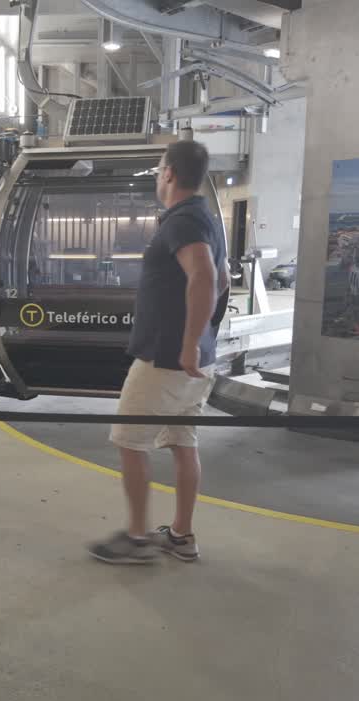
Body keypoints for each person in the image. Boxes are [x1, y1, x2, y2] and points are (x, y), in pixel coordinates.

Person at [88, 140, 229, 565]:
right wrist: (201, 338)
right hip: (193, 361)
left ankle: (136, 538)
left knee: (130, 443)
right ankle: (181, 536)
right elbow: (222, 279)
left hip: (166, 359)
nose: (156, 175)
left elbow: (204, 277)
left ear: (169, 173)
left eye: (158, 168)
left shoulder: (181, 221)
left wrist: (187, 342)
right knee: (183, 442)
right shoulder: (204, 217)